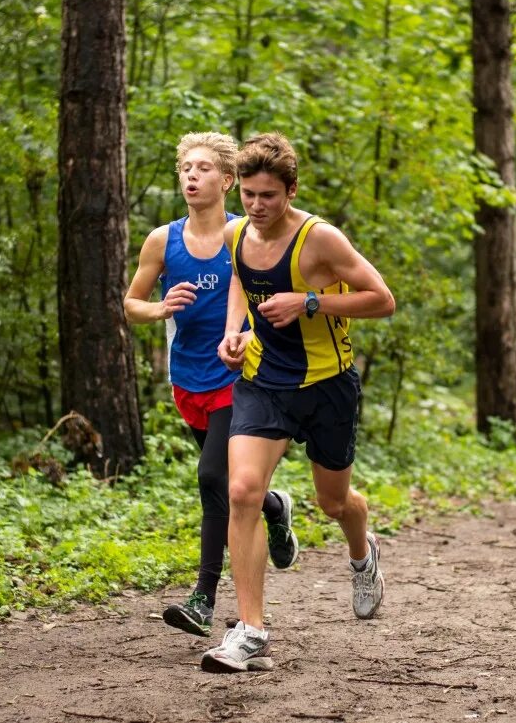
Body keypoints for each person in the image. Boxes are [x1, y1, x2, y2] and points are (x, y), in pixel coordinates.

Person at [200, 132, 396, 674]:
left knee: (335, 503)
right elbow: (241, 281)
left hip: (328, 385)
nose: (256, 207)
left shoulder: (320, 240)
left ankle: (362, 555)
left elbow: (382, 300)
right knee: (241, 491)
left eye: (268, 196)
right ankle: (251, 630)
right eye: (248, 195)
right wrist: (234, 332)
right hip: (264, 382)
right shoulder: (237, 233)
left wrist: (310, 300)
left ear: (290, 190)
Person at [123, 132, 299, 638]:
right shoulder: (163, 240)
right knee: (226, 478)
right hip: (189, 379)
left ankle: (203, 597)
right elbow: (130, 304)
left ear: (226, 180)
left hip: (241, 376)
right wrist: (159, 307)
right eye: (185, 168)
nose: (191, 176)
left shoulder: (249, 234)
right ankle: (273, 505)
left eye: (202, 168)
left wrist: (248, 331)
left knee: (210, 478)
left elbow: (279, 292)